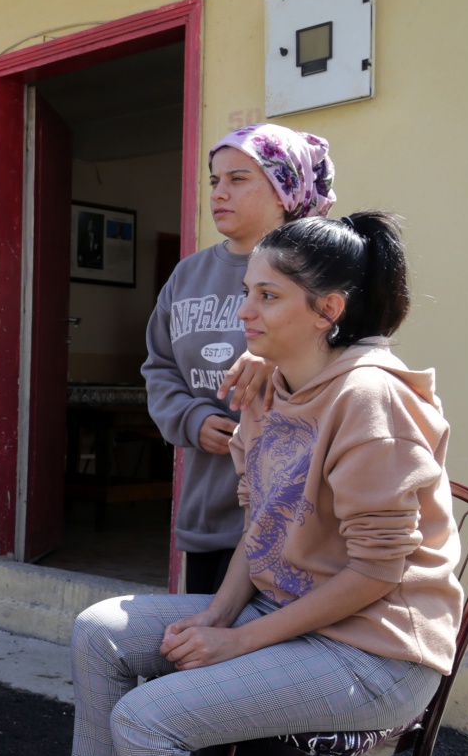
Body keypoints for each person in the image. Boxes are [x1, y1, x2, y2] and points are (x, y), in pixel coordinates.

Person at [23, 211, 461, 756]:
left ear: (329, 308)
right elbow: (261, 540)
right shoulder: (270, 384)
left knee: (149, 719)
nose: (244, 312)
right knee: (101, 633)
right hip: (292, 613)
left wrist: (239, 640)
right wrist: (224, 620)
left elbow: (376, 572)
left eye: (267, 295)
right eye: (247, 290)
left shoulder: (369, 401)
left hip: (376, 651)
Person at [144, 123, 337, 597]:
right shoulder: (188, 274)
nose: (219, 193)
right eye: (214, 180)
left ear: (284, 189)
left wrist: (282, 356)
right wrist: (190, 417)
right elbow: (159, 366)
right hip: (211, 506)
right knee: (200, 649)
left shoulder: (319, 272)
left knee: (263, 661)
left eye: (238, 179)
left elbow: (348, 361)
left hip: (293, 517)